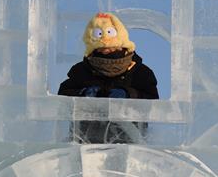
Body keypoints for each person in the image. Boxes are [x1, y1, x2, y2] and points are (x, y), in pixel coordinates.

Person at [58, 12, 158, 143]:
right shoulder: (81, 70)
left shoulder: (140, 72)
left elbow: (153, 105)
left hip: (129, 145)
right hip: (84, 145)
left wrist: (129, 95)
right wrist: (82, 95)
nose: (106, 47)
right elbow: (62, 100)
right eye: (100, 44)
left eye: (111, 42)